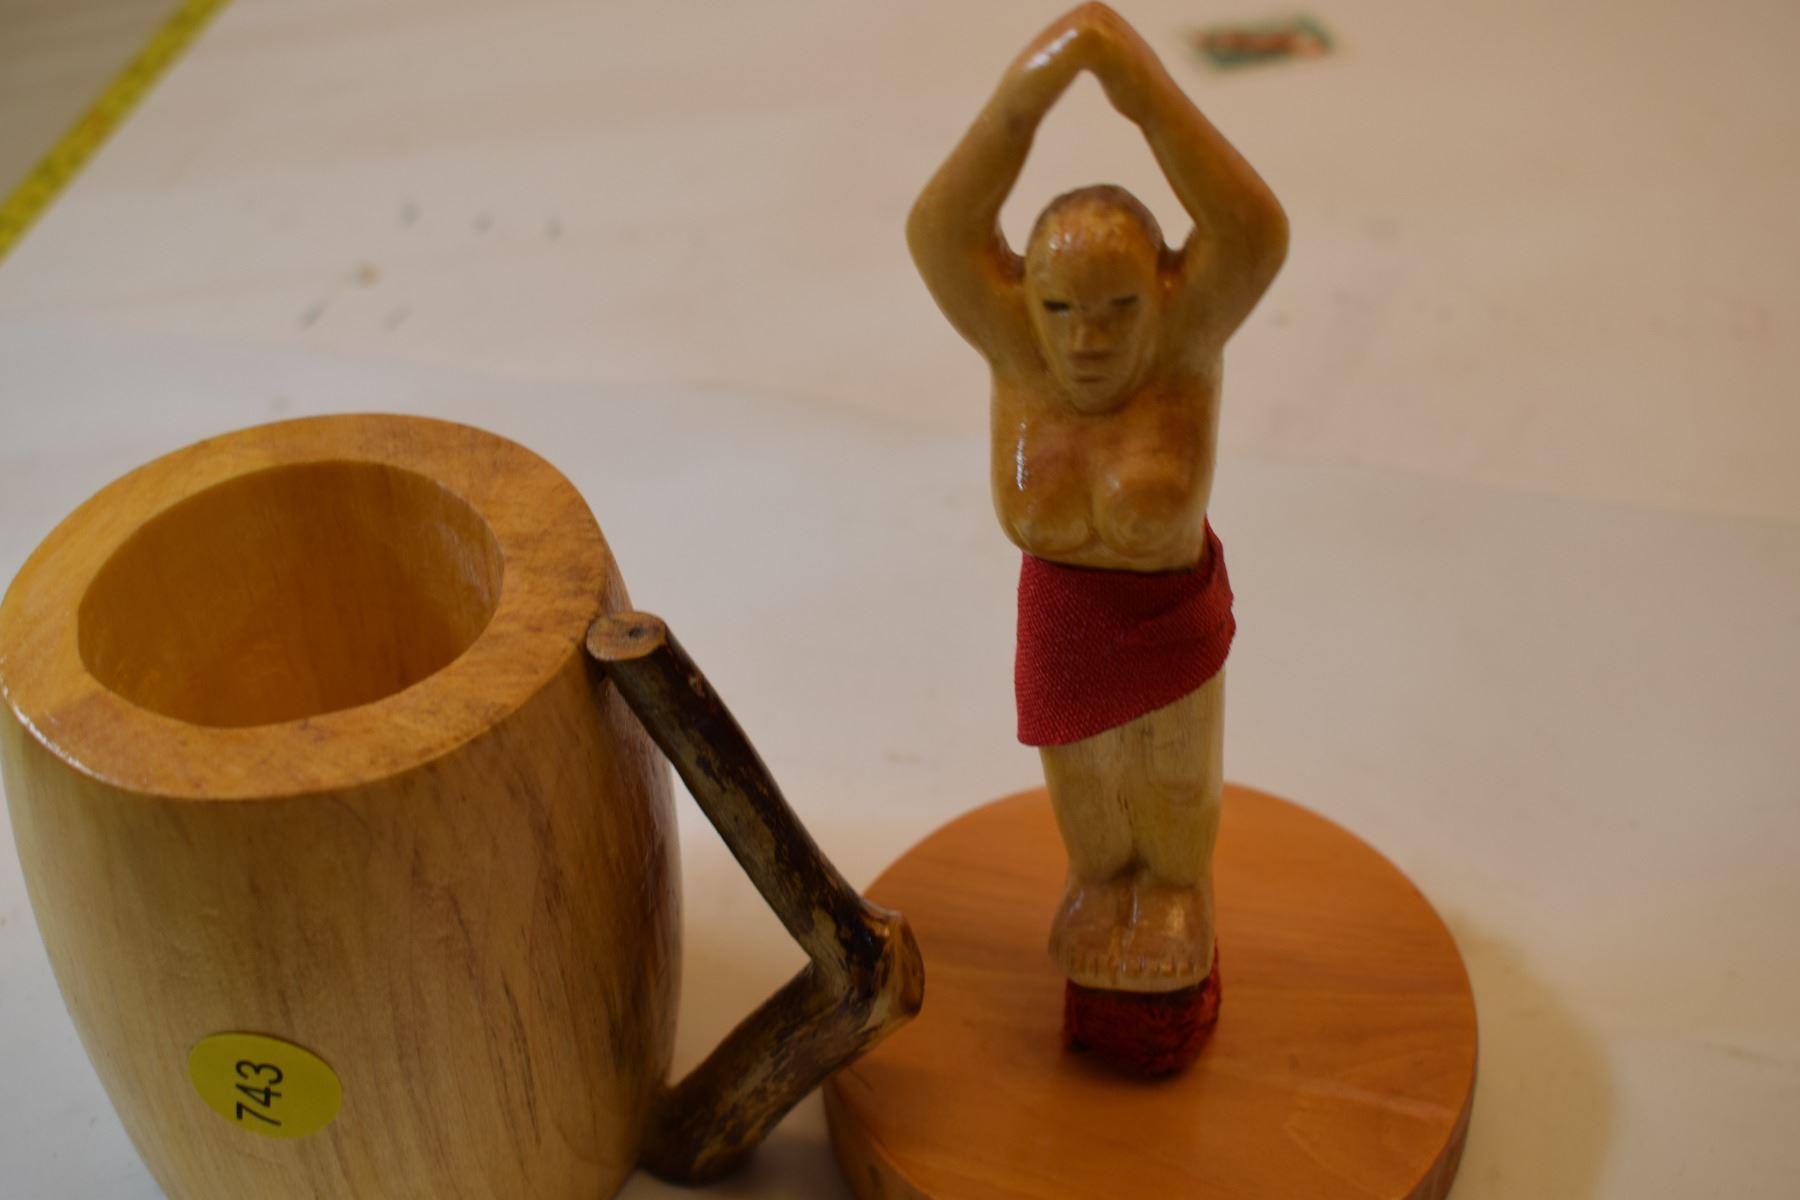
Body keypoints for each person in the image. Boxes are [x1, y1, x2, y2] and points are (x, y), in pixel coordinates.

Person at [908, 3, 1287, 993]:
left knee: (1172, 781)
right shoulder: (1016, 349)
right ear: (1024, 299)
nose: (1086, 340)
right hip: (1064, 624)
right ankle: (1098, 884)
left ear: (1165, 291)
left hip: (1168, 622)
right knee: (1085, 791)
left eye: (1118, 307)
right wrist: (1026, 98)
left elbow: (1254, 228)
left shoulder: (1185, 342)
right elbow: (938, 231)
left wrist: (1141, 91)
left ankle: (1177, 895)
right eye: (1062, 309)